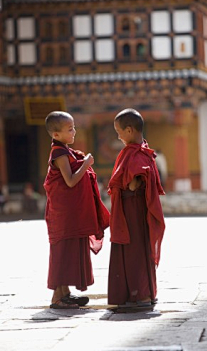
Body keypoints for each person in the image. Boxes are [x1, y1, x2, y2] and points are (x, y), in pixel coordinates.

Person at [44, 111, 110, 309]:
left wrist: (82, 162)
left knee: (70, 249)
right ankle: (57, 297)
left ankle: (65, 293)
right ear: (56, 135)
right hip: (64, 214)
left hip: (71, 212)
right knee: (63, 250)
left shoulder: (65, 150)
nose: (74, 132)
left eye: (74, 127)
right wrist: (86, 164)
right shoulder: (59, 153)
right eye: (70, 129)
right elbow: (70, 181)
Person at [107, 108, 165, 310]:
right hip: (136, 210)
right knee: (140, 249)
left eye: (119, 131)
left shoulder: (134, 154)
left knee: (134, 251)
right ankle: (145, 293)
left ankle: (139, 295)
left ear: (129, 130)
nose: (118, 136)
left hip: (132, 210)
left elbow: (133, 183)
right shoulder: (143, 150)